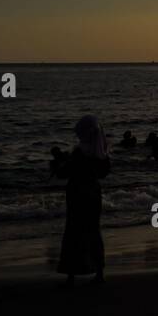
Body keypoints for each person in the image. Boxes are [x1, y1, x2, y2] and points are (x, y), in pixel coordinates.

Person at [55, 115, 110, 287]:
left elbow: (64, 173)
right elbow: (103, 173)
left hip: (77, 194)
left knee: (73, 233)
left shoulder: (79, 152)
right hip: (93, 193)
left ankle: (71, 275)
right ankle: (99, 273)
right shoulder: (101, 152)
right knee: (93, 232)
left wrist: (58, 164)